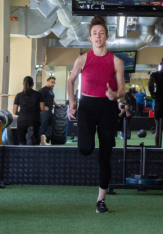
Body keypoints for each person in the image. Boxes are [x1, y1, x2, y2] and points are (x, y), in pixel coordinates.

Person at [67, 16, 126, 214]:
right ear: (90, 38)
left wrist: (115, 94)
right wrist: (72, 103)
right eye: (95, 33)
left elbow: (123, 90)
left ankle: (101, 199)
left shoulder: (116, 61)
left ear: (107, 36)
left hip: (107, 108)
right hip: (87, 106)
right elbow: (70, 81)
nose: (98, 36)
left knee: (105, 155)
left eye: (101, 33)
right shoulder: (82, 59)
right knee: (85, 148)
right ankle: (87, 144)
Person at [13, 76, 44, 146]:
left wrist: (21, 113)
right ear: (33, 84)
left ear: (23, 84)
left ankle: (21, 155)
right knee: (33, 142)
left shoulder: (18, 95)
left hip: (22, 119)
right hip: (34, 119)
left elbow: (14, 111)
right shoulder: (39, 94)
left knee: (21, 142)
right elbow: (42, 108)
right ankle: (31, 141)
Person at [39, 77, 61, 146]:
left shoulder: (50, 91)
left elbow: (52, 100)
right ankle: (41, 142)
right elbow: (38, 99)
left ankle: (46, 140)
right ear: (47, 82)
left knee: (51, 124)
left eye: (54, 82)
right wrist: (43, 107)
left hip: (50, 112)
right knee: (43, 126)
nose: (53, 84)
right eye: (52, 82)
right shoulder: (43, 90)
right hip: (44, 112)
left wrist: (56, 105)